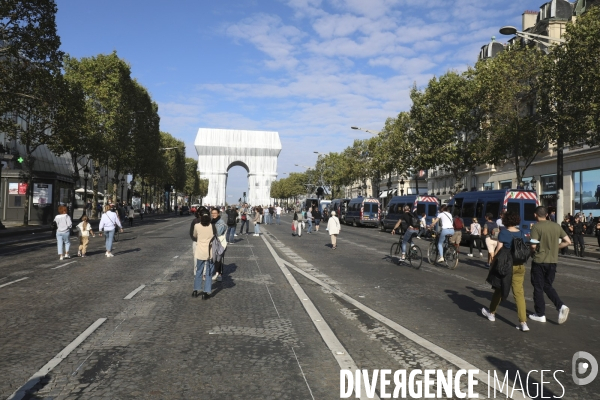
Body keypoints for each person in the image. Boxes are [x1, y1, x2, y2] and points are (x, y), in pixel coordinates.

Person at [481, 211, 529, 332]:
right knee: (519, 294)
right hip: (519, 266)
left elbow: (498, 249)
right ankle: (523, 323)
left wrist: (493, 261)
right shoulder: (521, 233)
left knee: (499, 288)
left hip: (506, 266)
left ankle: (491, 313)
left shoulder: (504, 233)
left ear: (505, 221)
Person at [528, 206, 571, 324]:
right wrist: (555, 248)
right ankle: (561, 306)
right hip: (553, 261)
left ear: (535, 215)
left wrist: (531, 253)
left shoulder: (536, 227)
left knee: (538, 287)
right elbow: (568, 241)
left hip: (539, 261)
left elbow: (533, 246)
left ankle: (540, 314)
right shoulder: (556, 226)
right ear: (547, 215)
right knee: (547, 285)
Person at [192, 211, 214, 299]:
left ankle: (195, 290)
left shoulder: (197, 226)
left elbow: (194, 235)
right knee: (208, 272)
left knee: (199, 271)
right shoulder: (212, 226)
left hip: (200, 250)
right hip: (209, 251)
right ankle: (206, 292)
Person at [211, 208, 227, 281]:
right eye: (212, 213)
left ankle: (219, 274)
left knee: (218, 258)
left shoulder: (221, 222)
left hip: (219, 243)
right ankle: (217, 273)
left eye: (215, 213)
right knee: (214, 258)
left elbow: (219, 233)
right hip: (213, 242)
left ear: (218, 213)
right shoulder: (211, 221)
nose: (213, 214)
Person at [190, 209, 203, 276]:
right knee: (198, 257)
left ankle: (198, 271)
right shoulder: (195, 221)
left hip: (200, 242)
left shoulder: (207, 221)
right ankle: (199, 272)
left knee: (197, 257)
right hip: (199, 242)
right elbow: (191, 232)